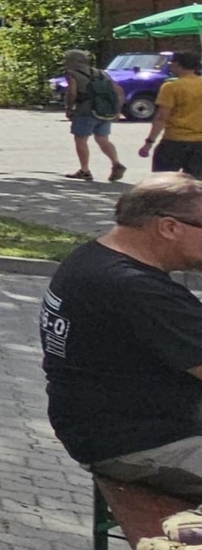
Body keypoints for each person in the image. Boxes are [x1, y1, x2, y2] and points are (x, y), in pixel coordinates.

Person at [42, 173, 202, 501]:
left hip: (115, 426)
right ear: (169, 227)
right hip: (142, 443)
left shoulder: (92, 258)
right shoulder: (133, 288)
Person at [61, 49, 126, 182]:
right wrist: (117, 110)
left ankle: (84, 170)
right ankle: (116, 163)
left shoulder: (72, 74)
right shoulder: (102, 73)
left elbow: (72, 93)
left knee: (81, 139)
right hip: (103, 110)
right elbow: (118, 91)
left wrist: (69, 108)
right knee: (102, 139)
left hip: (85, 110)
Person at [142, 50, 202, 179]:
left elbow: (162, 117)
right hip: (199, 142)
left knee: (163, 182)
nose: (170, 66)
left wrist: (149, 142)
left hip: (175, 140)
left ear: (178, 65)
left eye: (171, 63)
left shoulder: (171, 87)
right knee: (196, 185)